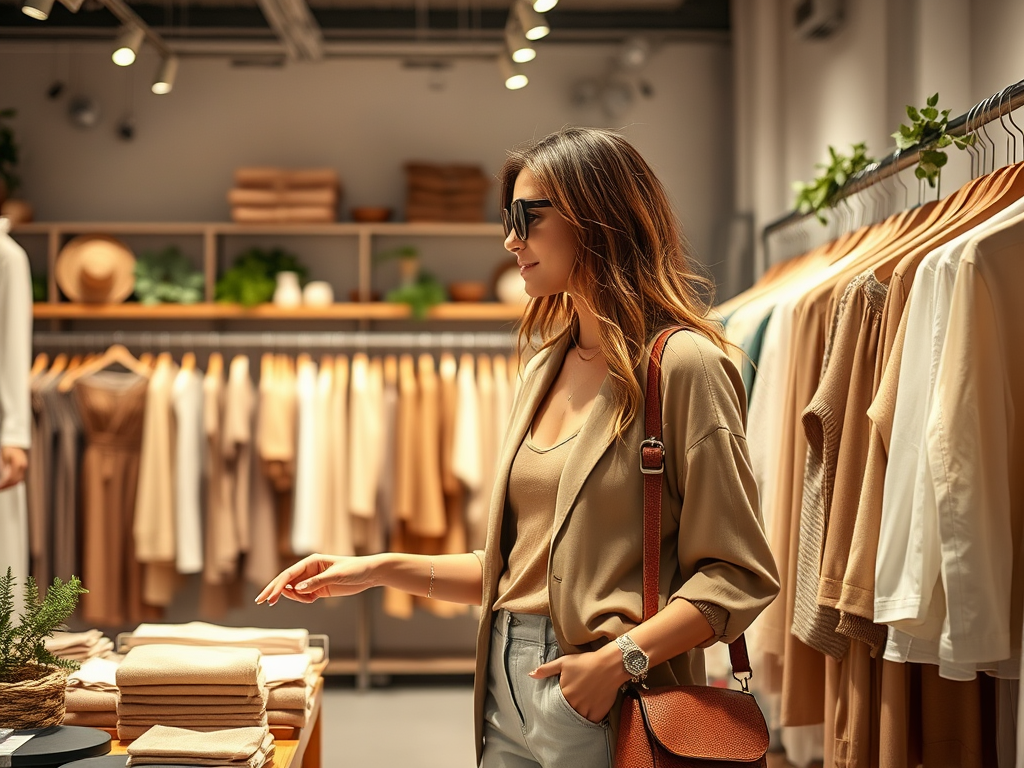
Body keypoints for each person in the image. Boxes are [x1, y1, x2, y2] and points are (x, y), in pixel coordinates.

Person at [257, 127, 780, 768]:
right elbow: (520, 570)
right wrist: (373, 569)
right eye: (509, 220)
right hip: (502, 685)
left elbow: (740, 573)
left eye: (526, 218)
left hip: (608, 695)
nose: (510, 240)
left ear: (596, 218)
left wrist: (617, 663)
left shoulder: (683, 366)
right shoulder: (543, 369)